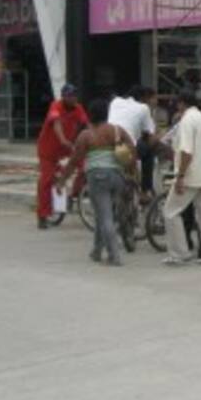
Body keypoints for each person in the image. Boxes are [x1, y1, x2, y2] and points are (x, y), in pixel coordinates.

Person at [58, 98, 136, 266]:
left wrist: (62, 181)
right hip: (117, 177)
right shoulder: (117, 130)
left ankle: (114, 256)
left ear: (90, 115)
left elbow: (73, 161)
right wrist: (132, 174)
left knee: (105, 216)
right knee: (103, 216)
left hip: (97, 178)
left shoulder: (86, 135)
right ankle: (96, 251)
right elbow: (132, 149)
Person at [163, 91, 201, 266]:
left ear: (182, 104)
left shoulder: (187, 121)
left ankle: (179, 253)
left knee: (170, 212)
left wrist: (180, 176)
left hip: (190, 175)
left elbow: (186, 151)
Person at [36, 85, 90, 229]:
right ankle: (42, 215)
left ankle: (74, 194)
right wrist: (62, 139)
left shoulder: (78, 108)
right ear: (64, 97)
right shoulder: (56, 106)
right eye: (70, 96)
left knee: (85, 166)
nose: (74, 98)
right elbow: (56, 123)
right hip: (48, 149)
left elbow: (87, 125)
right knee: (46, 180)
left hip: (67, 148)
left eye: (75, 95)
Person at [109, 85, 157, 200]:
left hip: (108, 144)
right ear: (145, 97)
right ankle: (145, 191)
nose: (154, 102)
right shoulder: (144, 108)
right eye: (153, 98)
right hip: (125, 149)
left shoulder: (115, 102)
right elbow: (150, 137)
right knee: (149, 152)